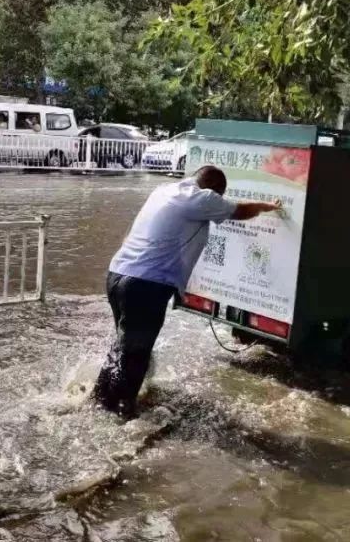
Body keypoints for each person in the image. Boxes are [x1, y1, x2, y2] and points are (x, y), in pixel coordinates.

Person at [94, 166, 282, 416]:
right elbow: (240, 211)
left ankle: (99, 398)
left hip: (118, 273)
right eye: (220, 195)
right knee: (137, 352)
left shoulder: (164, 190)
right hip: (146, 285)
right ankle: (121, 411)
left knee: (124, 344)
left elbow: (130, 232)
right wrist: (267, 206)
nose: (219, 201)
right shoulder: (202, 198)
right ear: (215, 190)